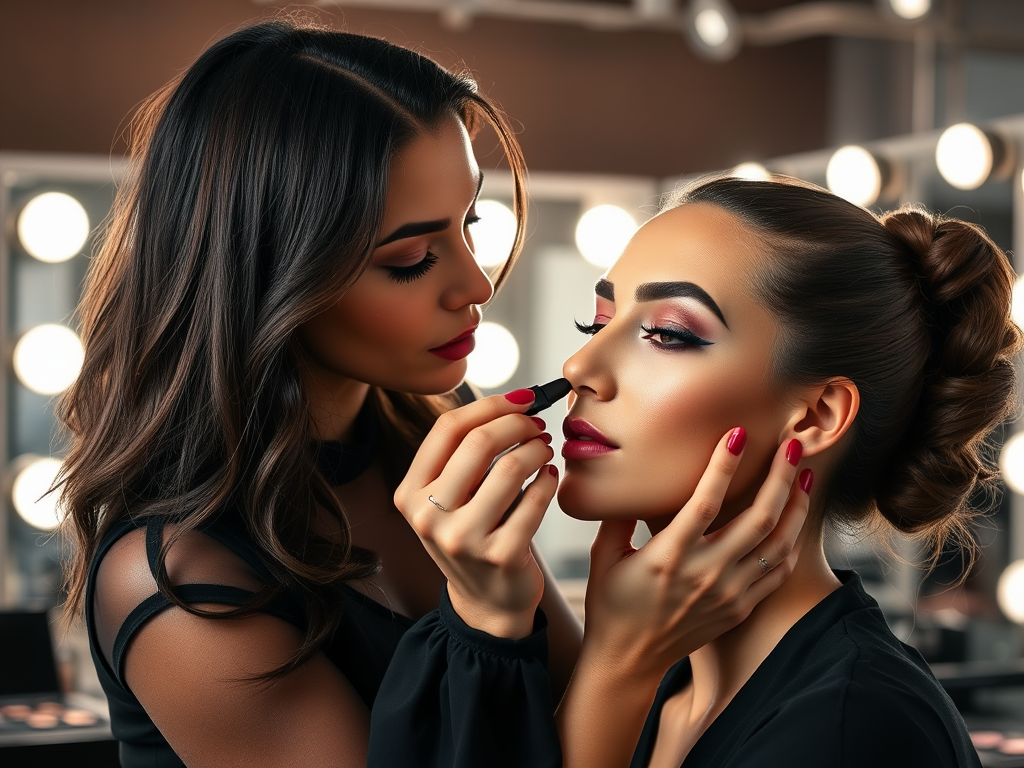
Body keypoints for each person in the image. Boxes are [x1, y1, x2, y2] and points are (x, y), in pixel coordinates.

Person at [57, 19, 810, 768]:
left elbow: (567, 725)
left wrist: (629, 642)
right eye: (413, 258)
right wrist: (622, 656)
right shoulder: (180, 579)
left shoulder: (431, 430)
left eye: (470, 222)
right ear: (269, 276)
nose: (477, 284)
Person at [394, 175, 1016, 767]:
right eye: (599, 322)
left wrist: (617, 667)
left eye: (665, 333)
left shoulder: (854, 727)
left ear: (818, 415)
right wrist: (492, 617)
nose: (581, 365)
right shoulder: (668, 680)